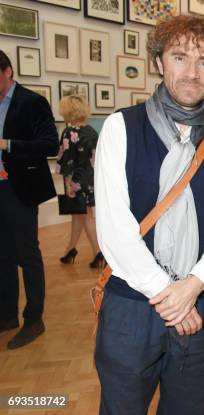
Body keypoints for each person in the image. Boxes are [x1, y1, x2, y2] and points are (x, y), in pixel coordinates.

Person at [93, 16, 204, 414]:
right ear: (159, 61)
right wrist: (170, 296)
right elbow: (115, 230)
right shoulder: (120, 128)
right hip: (132, 308)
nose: (192, 73)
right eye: (180, 57)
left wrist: (193, 286)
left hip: (201, 306)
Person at [0, 50, 58, 349]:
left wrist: (7, 144)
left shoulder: (32, 102)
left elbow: (50, 144)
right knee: (2, 256)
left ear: (7, 71)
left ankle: (34, 320)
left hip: (19, 189)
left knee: (27, 256)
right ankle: (7, 315)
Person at [57, 95, 104, 268]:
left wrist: (69, 182)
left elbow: (67, 159)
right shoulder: (91, 131)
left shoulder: (69, 132)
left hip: (76, 179)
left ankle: (98, 252)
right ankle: (70, 249)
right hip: (90, 178)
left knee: (85, 215)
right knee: (78, 214)